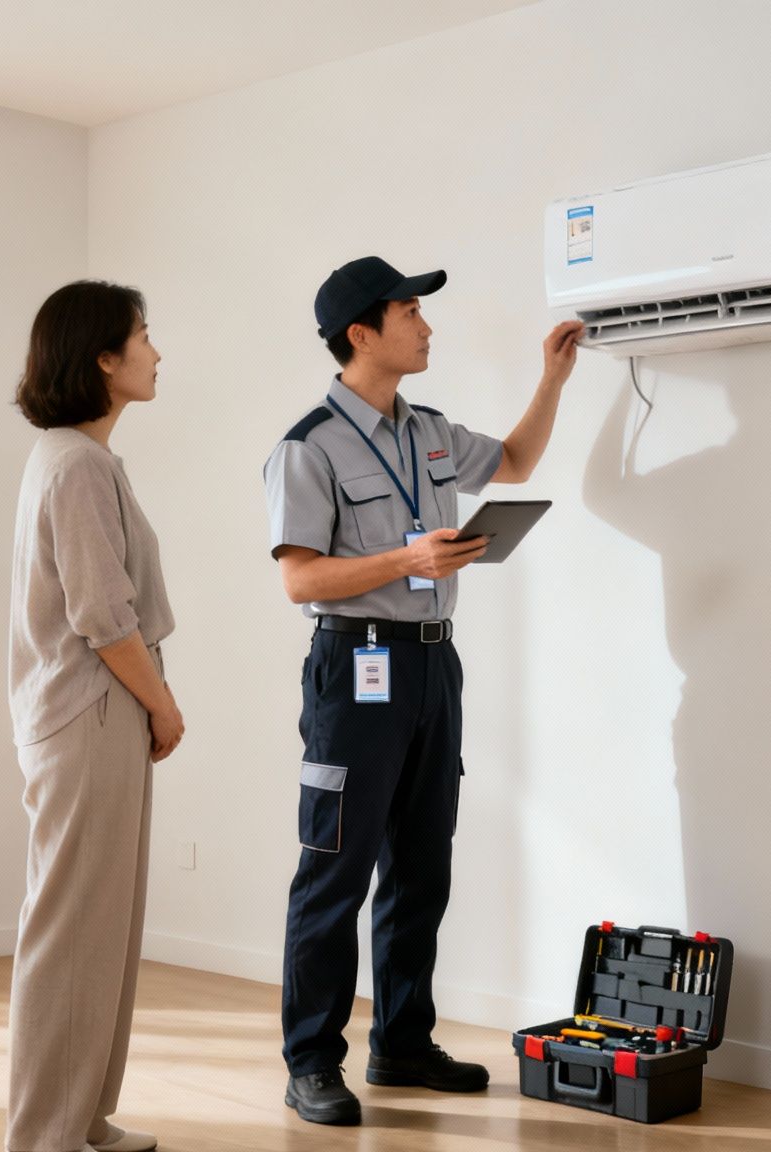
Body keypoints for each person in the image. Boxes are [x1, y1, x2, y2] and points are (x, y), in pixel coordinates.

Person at [263, 255, 582, 1125]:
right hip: (355, 667)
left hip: (434, 665)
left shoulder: (431, 430)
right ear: (361, 334)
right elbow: (299, 580)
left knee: (420, 863)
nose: (427, 325)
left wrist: (552, 378)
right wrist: (409, 559)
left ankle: (401, 1043)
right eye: (411, 311)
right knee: (335, 870)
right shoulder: (308, 446)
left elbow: (513, 464)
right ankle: (310, 1062)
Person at [4, 280, 183, 1152]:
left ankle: (80, 1118)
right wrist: (165, 704)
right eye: (143, 338)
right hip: (90, 713)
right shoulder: (76, 463)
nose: (156, 353)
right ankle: (45, 1133)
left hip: (95, 714)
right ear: (104, 358)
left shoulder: (81, 458)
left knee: (103, 924)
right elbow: (103, 616)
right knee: (72, 927)